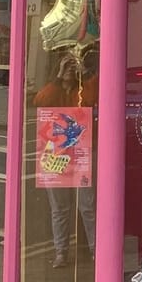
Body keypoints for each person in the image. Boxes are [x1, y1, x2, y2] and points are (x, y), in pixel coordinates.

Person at [33, 49, 97, 267]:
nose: (69, 68)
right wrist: (59, 78)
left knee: (87, 205)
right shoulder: (54, 90)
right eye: (65, 64)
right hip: (56, 154)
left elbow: (91, 97)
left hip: (81, 152)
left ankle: (95, 250)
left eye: (72, 65)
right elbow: (40, 100)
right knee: (59, 207)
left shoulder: (82, 89)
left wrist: (84, 73)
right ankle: (61, 252)